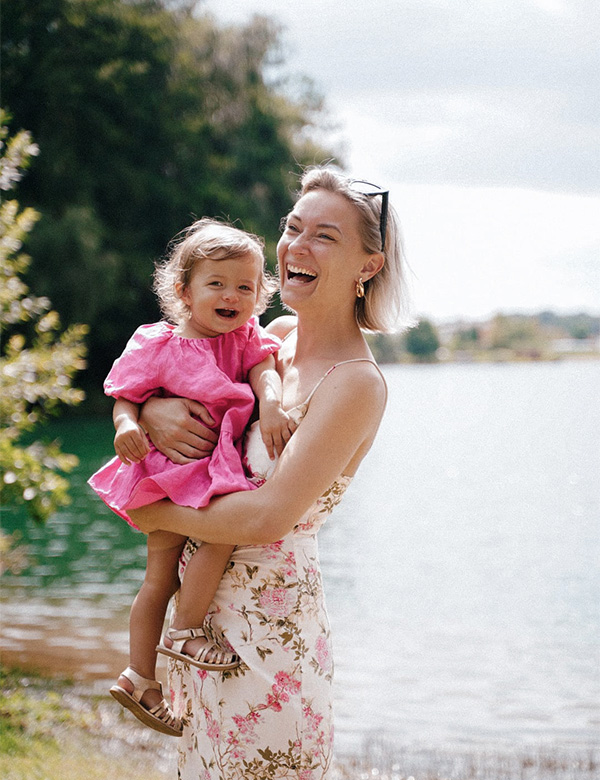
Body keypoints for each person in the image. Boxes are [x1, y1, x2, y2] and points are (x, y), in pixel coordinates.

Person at [131, 166, 413, 778]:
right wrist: (153, 409)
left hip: (270, 640)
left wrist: (149, 510)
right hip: (197, 629)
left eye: (325, 236)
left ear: (369, 264)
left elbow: (266, 516)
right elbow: (182, 375)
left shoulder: (356, 384)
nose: (296, 246)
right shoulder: (272, 337)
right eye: (293, 227)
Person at [88, 219, 297, 737]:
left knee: (177, 566)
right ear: (183, 291)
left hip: (212, 467)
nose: (232, 296)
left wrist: (271, 406)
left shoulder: (246, 338)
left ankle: (141, 676)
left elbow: (263, 372)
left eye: (245, 287)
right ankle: (172, 642)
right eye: (217, 284)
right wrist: (126, 428)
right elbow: (125, 398)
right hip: (168, 471)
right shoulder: (156, 343)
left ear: (260, 295)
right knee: (169, 570)